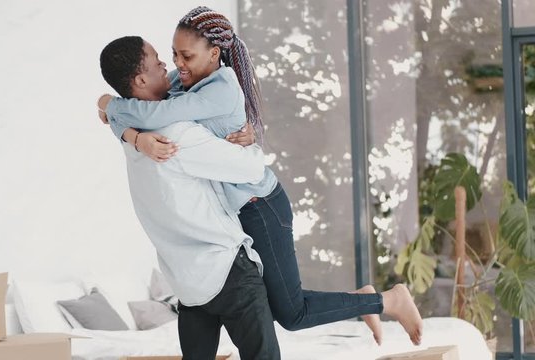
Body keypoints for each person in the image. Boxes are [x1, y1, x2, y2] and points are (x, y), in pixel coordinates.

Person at [98, 6, 423, 347]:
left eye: (186, 55)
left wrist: (116, 113)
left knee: (292, 314)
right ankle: (367, 298)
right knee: (286, 306)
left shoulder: (220, 88)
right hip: (240, 208)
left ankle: (388, 301)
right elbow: (138, 106)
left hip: (259, 206)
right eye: (173, 54)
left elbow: (156, 112)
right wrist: (126, 127)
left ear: (213, 53)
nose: (177, 63)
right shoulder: (189, 77)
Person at [99, 36, 280, 359]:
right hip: (227, 271)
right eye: (156, 60)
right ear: (141, 80)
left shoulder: (132, 141)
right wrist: (246, 137)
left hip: (186, 285)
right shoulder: (178, 136)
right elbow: (252, 168)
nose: (165, 65)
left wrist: (123, 124)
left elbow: (111, 109)